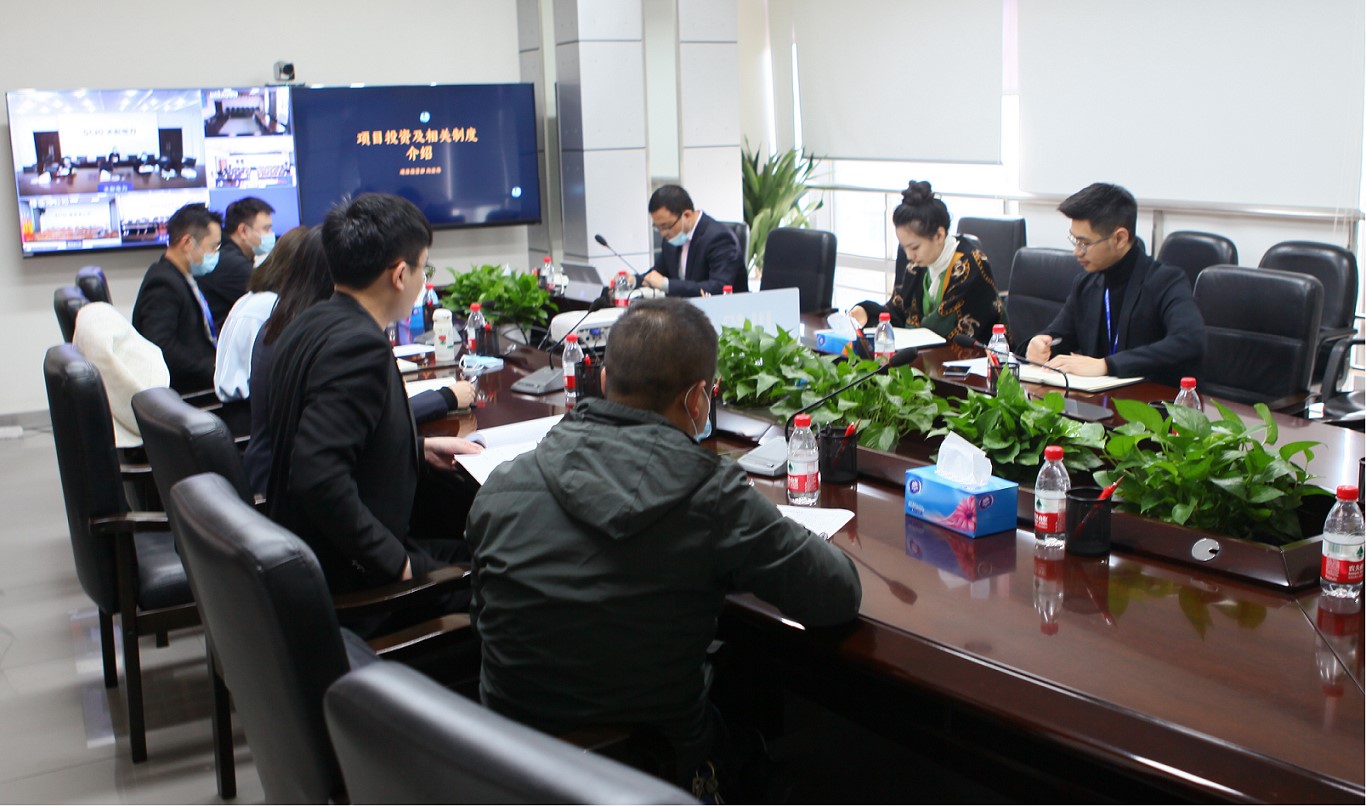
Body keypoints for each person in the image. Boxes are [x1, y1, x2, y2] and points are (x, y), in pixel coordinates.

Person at [466, 297, 861, 794]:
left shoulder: (503, 484)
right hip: (651, 772)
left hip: (501, 772)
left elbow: (484, 617)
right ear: (698, 401)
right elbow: (836, 595)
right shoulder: (711, 496)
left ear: (603, 380)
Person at [265, 194, 482, 633]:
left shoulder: (310, 321)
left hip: (314, 559)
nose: (422, 281)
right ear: (400, 275)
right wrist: (396, 563)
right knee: (505, 577)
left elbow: (333, 442)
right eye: (423, 269)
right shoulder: (358, 345)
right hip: (355, 588)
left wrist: (417, 449)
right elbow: (317, 476)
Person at [242, 225, 475, 496]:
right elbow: (354, 433)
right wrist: (444, 397)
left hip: (272, 476)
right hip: (290, 490)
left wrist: (418, 447)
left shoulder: (286, 325)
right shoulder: (336, 343)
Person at [1025, 183, 1205, 387]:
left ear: (1120, 238)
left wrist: (1107, 365)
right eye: (1075, 240)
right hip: (1094, 400)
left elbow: (1190, 340)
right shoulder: (1086, 284)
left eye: (1085, 243)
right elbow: (1059, 335)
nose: (1077, 251)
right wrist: (1039, 344)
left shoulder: (1166, 281)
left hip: (1149, 400)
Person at [850, 180, 1004, 344]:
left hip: (975, 356)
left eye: (914, 247)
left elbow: (945, 330)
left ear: (939, 235)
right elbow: (898, 311)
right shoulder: (918, 265)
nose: (909, 255)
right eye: (904, 248)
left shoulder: (970, 265)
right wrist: (867, 311)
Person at [131, 203, 221, 393]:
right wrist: (214, 370)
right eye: (212, 247)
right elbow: (161, 348)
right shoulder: (163, 284)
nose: (215, 254)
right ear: (188, 243)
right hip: (186, 390)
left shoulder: (181, 275)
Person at [640, 184, 745, 297]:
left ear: (687, 215)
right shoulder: (671, 239)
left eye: (666, 227)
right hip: (682, 306)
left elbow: (718, 287)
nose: (663, 233)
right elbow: (658, 273)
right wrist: (634, 280)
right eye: (658, 227)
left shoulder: (719, 237)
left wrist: (667, 285)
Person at [199, 196, 274, 326]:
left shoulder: (227, 252)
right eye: (266, 228)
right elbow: (273, 297)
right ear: (243, 231)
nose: (271, 234)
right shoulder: (232, 263)